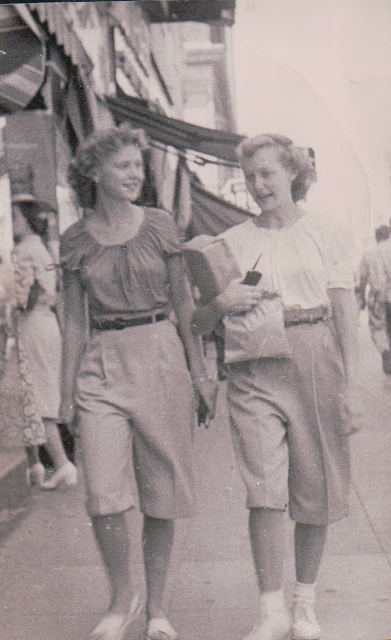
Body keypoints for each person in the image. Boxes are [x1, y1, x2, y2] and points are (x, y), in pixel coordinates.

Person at [192, 134, 361, 640]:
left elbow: (343, 307)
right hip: (254, 365)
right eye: (250, 177)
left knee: (316, 485)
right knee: (263, 489)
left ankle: (304, 602)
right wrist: (222, 303)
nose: (258, 185)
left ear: (292, 173)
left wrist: (351, 385)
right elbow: (199, 321)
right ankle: (270, 610)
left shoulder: (326, 232)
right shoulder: (232, 242)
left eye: (267, 173)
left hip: (314, 355)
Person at [59, 125, 217, 640]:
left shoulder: (160, 225)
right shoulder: (75, 239)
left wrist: (200, 373)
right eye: (123, 165)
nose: (135, 174)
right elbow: (75, 321)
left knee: (161, 493)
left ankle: (158, 610)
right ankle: (121, 598)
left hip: (161, 354)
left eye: (138, 165)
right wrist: (64, 395)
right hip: (101, 360)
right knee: (102, 493)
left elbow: (184, 304)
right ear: (94, 172)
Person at [11, 193, 77, 489]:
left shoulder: (26, 251)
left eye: (14, 217)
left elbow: (24, 297)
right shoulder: (39, 248)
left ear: (27, 220)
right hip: (44, 324)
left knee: (36, 395)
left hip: (33, 326)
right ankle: (35, 463)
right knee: (33, 393)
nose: (10, 223)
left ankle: (61, 464)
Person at [357, 224, 391, 374]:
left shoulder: (368, 254)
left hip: (377, 297)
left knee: (378, 327)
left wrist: (362, 298)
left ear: (376, 237)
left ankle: (385, 350)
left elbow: (363, 278)